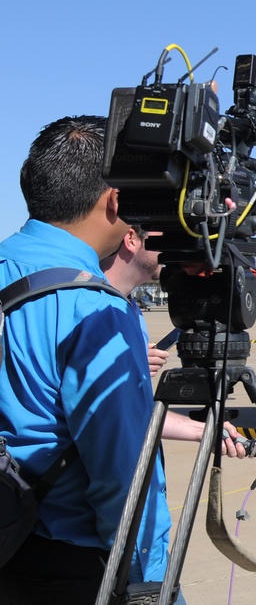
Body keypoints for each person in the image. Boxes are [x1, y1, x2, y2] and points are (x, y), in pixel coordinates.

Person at [0, 116, 171, 603]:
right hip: (66, 562)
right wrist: (148, 585)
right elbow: (124, 475)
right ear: (116, 200)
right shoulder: (94, 308)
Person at [100, 225, 247, 451]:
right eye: (165, 236)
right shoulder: (95, 309)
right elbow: (100, 410)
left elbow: (134, 411)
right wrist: (124, 364)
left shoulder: (128, 308)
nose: (174, 247)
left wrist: (203, 430)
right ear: (131, 239)